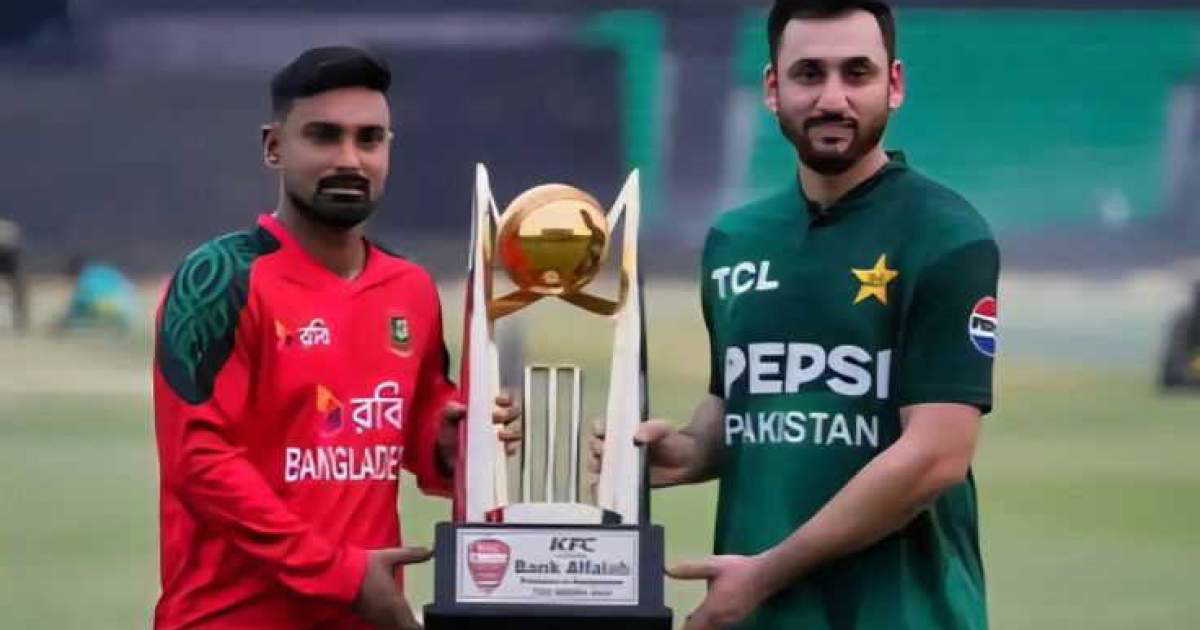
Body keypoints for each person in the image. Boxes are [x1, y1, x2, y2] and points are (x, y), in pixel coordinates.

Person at [593, 2, 999, 628]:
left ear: (893, 84)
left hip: (902, 614)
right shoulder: (735, 240)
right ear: (772, 88)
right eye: (809, 73)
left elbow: (935, 457)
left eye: (856, 73)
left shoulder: (946, 235)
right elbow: (745, 405)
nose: (832, 98)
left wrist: (765, 573)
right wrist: (686, 450)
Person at [152, 46, 521, 630]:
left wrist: (448, 441)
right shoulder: (218, 279)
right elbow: (199, 463)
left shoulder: (410, 287)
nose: (350, 158)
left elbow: (416, 418)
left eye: (369, 139)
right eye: (324, 137)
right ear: (274, 147)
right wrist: (343, 575)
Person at [55, 255, 139, 333]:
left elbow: (80, 304)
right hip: (124, 309)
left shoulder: (84, 278)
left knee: (85, 315)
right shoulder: (105, 271)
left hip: (103, 308)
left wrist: (65, 321)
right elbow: (129, 289)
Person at [0, 217, 28, 332]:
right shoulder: (9, 228)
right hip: (11, 254)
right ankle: (21, 321)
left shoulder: (8, 228)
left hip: (10, 257)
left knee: (19, 289)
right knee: (19, 289)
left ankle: (21, 321)